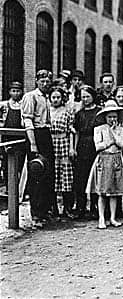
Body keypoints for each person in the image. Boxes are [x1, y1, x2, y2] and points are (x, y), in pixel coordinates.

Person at [86, 100, 123, 229]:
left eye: (114, 116)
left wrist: (114, 134)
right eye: (109, 116)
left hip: (117, 159)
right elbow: (98, 146)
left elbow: (122, 144)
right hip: (103, 160)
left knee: (115, 191)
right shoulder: (98, 129)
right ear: (105, 117)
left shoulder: (121, 130)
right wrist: (109, 142)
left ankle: (113, 218)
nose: (112, 119)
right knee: (102, 192)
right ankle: (101, 218)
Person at [21, 70, 54, 226]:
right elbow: (28, 121)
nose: (46, 83)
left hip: (46, 134)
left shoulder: (47, 97)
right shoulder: (30, 96)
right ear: (36, 81)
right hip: (36, 135)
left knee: (47, 174)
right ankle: (35, 215)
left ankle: (44, 212)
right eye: (42, 81)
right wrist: (33, 143)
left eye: (48, 81)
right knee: (37, 175)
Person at [73, 85, 101, 219]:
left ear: (93, 96)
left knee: (95, 177)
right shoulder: (79, 114)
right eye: (83, 97)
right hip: (82, 145)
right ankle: (81, 207)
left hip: (95, 144)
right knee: (81, 178)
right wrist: (74, 147)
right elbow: (77, 132)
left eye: (87, 96)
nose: (85, 99)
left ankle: (94, 207)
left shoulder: (99, 112)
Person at [49, 87, 76, 218]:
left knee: (66, 176)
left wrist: (71, 147)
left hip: (64, 142)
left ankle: (67, 208)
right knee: (53, 174)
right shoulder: (47, 111)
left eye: (58, 97)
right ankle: (54, 208)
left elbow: (71, 130)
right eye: (53, 97)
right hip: (51, 144)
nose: (55, 100)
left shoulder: (67, 111)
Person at [0, 81, 25, 179]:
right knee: (6, 162)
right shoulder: (4, 105)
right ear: (10, 92)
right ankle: (7, 186)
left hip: (20, 138)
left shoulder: (23, 105)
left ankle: (19, 187)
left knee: (20, 162)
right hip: (7, 138)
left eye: (18, 91)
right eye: (13, 91)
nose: (16, 93)